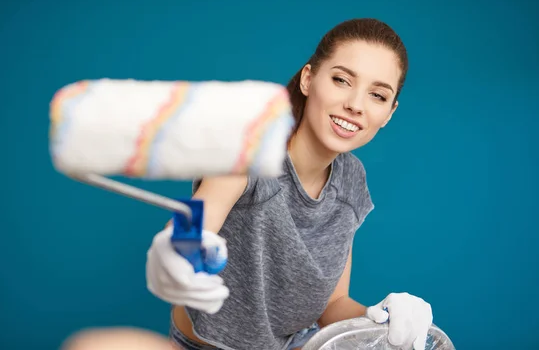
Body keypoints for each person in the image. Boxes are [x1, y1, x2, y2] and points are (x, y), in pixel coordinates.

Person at [146, 18, 433, 350]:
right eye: (341, 80)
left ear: (389, 113)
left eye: (377, 95)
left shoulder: (351, 180)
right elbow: (192, 227)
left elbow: (332, 305)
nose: (355, 104)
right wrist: (175, 250)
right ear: (309, 79)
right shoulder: (250, 151)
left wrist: (378, 320)